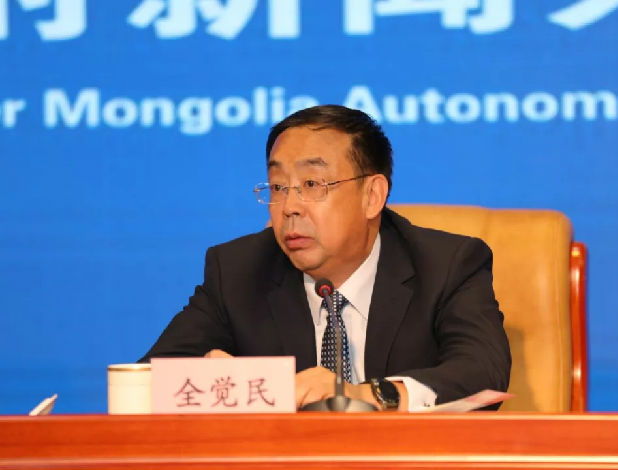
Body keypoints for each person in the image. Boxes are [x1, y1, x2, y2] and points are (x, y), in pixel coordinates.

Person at [140, 105, 511, 411]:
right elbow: (145, 381)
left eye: (312, 185)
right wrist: (231, 386)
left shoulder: (447, 265)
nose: (289, 207)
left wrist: (362, 395)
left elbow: (483, 374)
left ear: (372, 196)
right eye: (278, 187)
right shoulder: (238, 271)